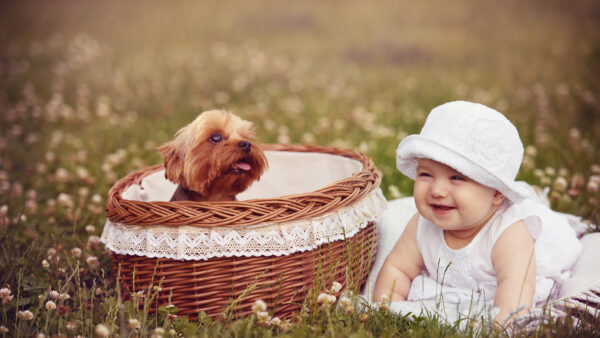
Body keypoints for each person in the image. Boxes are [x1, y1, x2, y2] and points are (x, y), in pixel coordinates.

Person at [373, 101, 582, 324]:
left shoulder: (508, 233)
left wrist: (501, 326)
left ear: (496, 194)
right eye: (426, 175)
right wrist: (386, 309)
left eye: (457, 178)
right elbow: (398, 269)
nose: (437, 190)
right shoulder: (421, 225)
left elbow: (516, 287)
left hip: (524, 266)